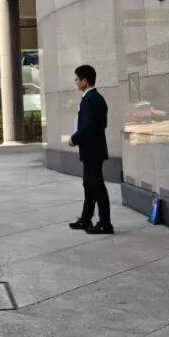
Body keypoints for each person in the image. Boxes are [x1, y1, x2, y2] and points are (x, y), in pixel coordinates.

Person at [68, 64, 114, 234]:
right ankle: (86, 219)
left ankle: (105, 224)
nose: (75, 82)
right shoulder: (93, 98)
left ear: (85, 81)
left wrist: (74, 139)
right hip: (91, 150)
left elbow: (90, 126)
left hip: (93, 151)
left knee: (97, 186)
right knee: (89, 185)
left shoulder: (92, 99)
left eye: (77, 79)